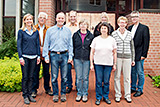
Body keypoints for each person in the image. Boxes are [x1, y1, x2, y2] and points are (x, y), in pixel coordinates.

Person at [42, 12, 73, 102]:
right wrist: (45, 56)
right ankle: (55, 93)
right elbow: (46, 44)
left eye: (62, 18)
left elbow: (70, 45)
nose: (60, 20)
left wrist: (70, 56)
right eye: (59, 18)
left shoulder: (67, 31)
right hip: (54, 55)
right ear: (56, 19)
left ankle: (63, 93)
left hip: (65, 55)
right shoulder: (50, 30)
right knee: (54, 76)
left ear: (64, 20)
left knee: (64, 77)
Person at [90, 22, 117, 105]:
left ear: (108, 30)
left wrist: (114, 64)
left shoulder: (112, 40)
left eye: (105, 28)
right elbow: (92, 52)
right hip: (98, 63)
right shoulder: (96, 39)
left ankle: (105, 96)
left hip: (108, 64)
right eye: (102, 28)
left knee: (106, 81)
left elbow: (115, 52)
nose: (104, 30)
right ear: (100, 30)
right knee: (98, 81)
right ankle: (98, 97)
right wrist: (91, 63)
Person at [17, 13, 40, 104]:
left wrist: (38, 56)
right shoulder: (21, 31)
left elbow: (37, 44)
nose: (29, 21)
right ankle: (25, 95)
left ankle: (30, 94)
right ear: (24, 21)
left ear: (32, 21)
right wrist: (20, 57)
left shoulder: (35, 31)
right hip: (25, 57)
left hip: (34, 57)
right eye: (27, 19)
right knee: (25, 77)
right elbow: (19, 45)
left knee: (31, 77)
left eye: (30, 19)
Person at [112, 16, 135, 103]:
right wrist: (113, 61)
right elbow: (112, 48)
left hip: (127, 58)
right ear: (118, 23)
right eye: (120, 22)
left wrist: (133, 59)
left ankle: (127, 95)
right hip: (117, 57)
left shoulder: (129, 34)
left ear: (126, 24)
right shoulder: (114, 34)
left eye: (124, 23)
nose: (122, 24)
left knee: (127, 78)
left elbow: (132, 47)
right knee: (117, 77)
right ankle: (118, 95)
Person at [128, 11, 150, 97]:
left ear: (138, 17)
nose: (134, 18)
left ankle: (140, 89)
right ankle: (133, 87)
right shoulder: (129, 28)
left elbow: (146, 42)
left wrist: (144, 54)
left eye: (135, 17)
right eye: (132, 17)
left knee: (140, 72)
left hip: (140, 54)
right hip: (131, 54)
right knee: (132, 72)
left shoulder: (144, 28)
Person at [32, 12, 53, 98]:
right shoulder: (33, 29)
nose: (42, 19)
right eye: (40, 17)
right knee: (35, 72)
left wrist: (44, 49)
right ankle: (34, 89)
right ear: (38, 19)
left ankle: (47, 88)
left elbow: (51, 41)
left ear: (46, 20)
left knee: (46, 72)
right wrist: (38, 49)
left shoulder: (49, 29)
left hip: (46, 54)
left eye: (44, 18)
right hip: (36, 54)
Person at [73, 19, 94, 102]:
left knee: (85, 78)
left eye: (85, 24)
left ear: (87, 26)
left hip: (86, 59)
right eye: (81, 24)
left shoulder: (90, 36)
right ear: (79, 25)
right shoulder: (75, 35)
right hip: (77, 58)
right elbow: (73, 47)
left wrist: (92, 60)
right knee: (78, 77)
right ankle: (79, 93)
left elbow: (92, 49)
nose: (83, 26)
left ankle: (85, 93)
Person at [65, 10, 79, 93]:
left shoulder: (79, 27)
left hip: (77, 51)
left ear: (76, 17)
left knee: (78, 69)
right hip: (68, 51)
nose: (73, 18)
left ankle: (78, 85)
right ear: (69, 17)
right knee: (67, 69)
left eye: (74, 16)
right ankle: (69, 85)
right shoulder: (66, 27)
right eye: (71, 16)